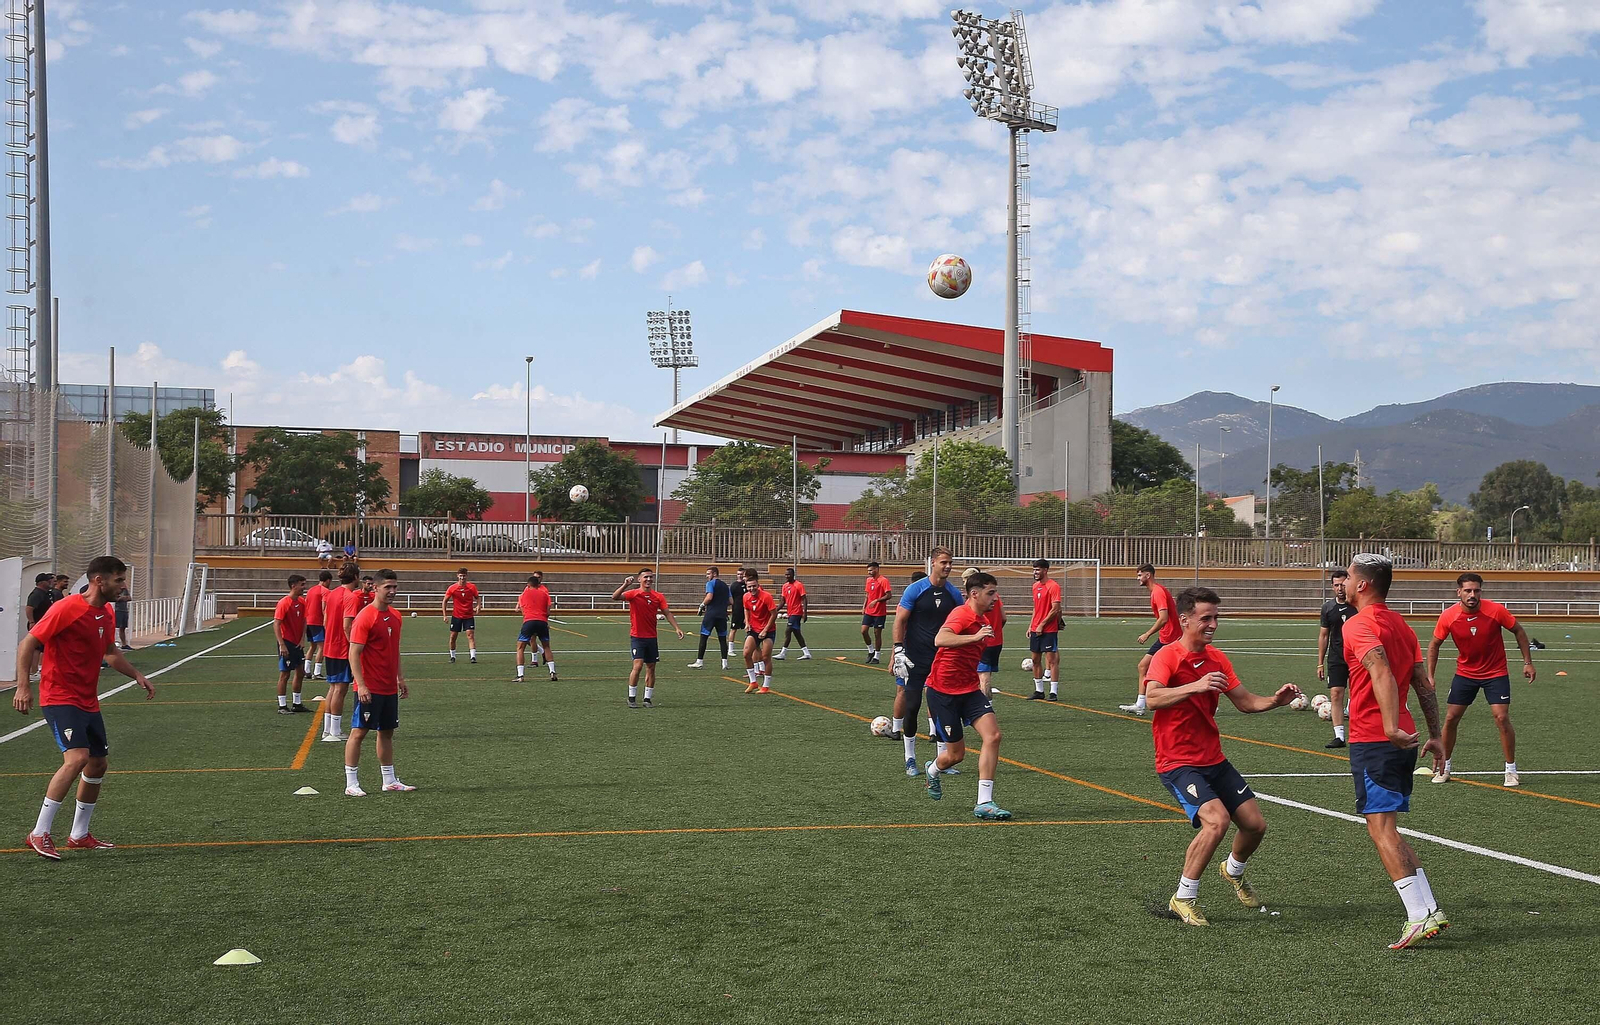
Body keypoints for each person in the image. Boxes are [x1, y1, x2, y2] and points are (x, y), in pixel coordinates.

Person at [1145, 586, 1301, 926]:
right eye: (1206, 618)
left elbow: (1245, 702)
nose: (1214, 624)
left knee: (1255, 826)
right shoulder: (1167, 656)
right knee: (1216, 822)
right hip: (1177, 762)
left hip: (1213, 758)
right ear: (1184, 620)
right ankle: (1183, 897)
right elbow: (1152, 698)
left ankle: (1232, 871)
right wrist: (1195, 686)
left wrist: (1276, 701)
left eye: (1216, 617)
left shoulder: (1217, 658)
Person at [14, 556, 155, 858]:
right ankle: (39, 833)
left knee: (98, 764)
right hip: (59, 697)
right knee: (77, 758)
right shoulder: (65, 608)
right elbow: (28, 643)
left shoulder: (105, 612)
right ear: (98, 581)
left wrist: (137, 675)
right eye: (119, 580)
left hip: (87, 700)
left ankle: (78, 834)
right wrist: (24, 687)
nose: (123, 586)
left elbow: (111, 653)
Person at [1342, 553, 1449, 949]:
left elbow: (1380, 669)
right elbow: (1423, 683)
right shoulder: (1402, 625)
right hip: (1404, 740)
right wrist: (1436, 736)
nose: (1344, 583)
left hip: (1378, 740)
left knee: (1381, 830)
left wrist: (1387, 726)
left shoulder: (1359, 624)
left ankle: (1418, 916)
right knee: (1389, 829)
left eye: (1349, 577)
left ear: (1364, 585)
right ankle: (1429, 909)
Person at [1426, 572, 1536, 787]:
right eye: (1467, 590)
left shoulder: (1496, 611)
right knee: (1451, 718)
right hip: (1465, 674)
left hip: (1495, 673)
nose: (1472, 594)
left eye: (1476, 590)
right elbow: (1434, 645)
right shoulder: (1448, 616)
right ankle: (1445, 767)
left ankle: (1511, 770)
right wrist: (1430, 675)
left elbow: (1519, 631)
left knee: (1501, 718)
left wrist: (1527, 662)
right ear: (1459, 592)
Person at [923, 571, 1012, 819]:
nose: (996, 598)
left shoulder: (986, 618)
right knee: (955, 756)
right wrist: (975, 637)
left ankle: (984, 802)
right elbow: (940, 639)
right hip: (943, 692)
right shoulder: (962, 614)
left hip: (970, 690)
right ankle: (932, 770)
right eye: (990, 593)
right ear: (975, 594)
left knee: (993, 736)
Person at [892, 547, 963, 776]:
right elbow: (900, 620)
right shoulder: (916, 589)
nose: (948, 566)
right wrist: (898, 650)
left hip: (942, 661)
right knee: (912, 707)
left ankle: (942, 760)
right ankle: (909, 759)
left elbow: (961, 622)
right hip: (914, 660)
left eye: (950, 562)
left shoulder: (954, 594)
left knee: (942, 709)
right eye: (943, 562)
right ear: (932, 563)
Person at [345, 569, 415, 796]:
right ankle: (351, 783)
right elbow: (353, 653)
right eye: (388, 587)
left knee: (386, 732)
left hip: (387, 686)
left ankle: (389, 780)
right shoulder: (366, 617)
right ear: (375, 588)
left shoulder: (396, 616)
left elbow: (393, 651)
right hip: (369, 687)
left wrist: (400, 678)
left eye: (395, 587)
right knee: (359, 732)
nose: (392, 591)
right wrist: (361, 684)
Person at [612, 569, 685, 708]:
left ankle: (647, 699)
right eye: (646, 577)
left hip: (652, 637)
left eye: (651, 577)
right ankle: (632, 698)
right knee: (638, 665)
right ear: (639, 579)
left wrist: (677, 627)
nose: (649, 579)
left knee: (651, 668)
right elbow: (614, 597)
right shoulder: (633, 594)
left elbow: (667, 613)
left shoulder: (658, 596)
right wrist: (625, 585)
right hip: (637, 637)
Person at [1121, 563, 1179, 715]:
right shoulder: (1156, 591)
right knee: (1144, 667)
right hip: (1168, 636)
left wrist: (1147, 634)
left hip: (1170, 637)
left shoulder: (1157, 592)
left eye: (1140, 575)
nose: (1138, 578)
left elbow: (1164, 618)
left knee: (1146, 667)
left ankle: (1141, 704)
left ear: (1148, 575)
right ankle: (1140, 704)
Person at [1317, 569, 1357, 748]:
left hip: (1357, 656)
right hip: (1336, 657)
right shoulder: (1327, 608)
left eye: (1343, 584)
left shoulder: (1357, 605)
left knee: (1357, 694)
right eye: (1336, 585)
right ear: (1332, 586)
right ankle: (1339, 736)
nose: (1340, 588)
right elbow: (1324, 635)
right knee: (1335, 694)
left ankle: (1358, 734)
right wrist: (1320, 663)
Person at [321, 565, 361, 742]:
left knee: (333, 687)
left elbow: (326, 619)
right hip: (342, 648)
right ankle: (335, 731)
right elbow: (347, 625)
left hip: (330, 645)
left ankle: (328, 729)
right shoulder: (350, 597)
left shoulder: (332, 593)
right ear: (356, 576)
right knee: (340, 689)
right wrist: (354, 646)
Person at [963, 567, 1005, 697]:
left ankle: (985, 707)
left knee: (983, 676)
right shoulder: (995, 596)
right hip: (996, 641)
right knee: (985, 675)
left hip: (983, 642)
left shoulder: (973, 601)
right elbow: (1003, 618)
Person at [274, 575, 310, 715]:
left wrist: (302, 639)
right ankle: (282, 706)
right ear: (293, 585)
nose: (304, 587)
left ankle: (297, 703)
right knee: (285, 674)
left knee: (300, 672)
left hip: (297, 643)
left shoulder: (302, 601)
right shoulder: (284, 603)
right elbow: (276, 624)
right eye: (302, 584)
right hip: (287, 642)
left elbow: (304, 621)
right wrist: (281, 644)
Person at [1026, 558, 1062, 700]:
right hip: (1036, 629)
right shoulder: (1035, 586)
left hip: (1049, 629)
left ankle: (1053, 692)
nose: (1035, 572)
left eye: (1038, 569)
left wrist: (1042, 624)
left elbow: (1056, 608)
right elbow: (1036, 608)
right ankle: (1039, 691)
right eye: (1034, 570)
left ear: (1045, 570)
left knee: (1052, 660)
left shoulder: (1053, 586)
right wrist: (1031, 625)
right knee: (1035, 660)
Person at [516, 572, 558, 682]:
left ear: (528, 585)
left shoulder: (523, 595)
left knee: (520, 648)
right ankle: (552, 672)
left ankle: (520, 675)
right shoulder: (545, 594)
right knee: (547, 647)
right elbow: (548, 611)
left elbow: (523, 610)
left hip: (529, 621)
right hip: (542, 622)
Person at [741, 567, 777, 695]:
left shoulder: (766, 597)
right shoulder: (746, 597)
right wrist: (747, 622)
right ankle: (753, 682)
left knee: (765, 657)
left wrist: (766, 630)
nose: (752, 589)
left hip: (768, 630)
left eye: (754, 586)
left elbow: (774, 614)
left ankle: (766, 686)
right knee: (746, 653)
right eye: (749, 587)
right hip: (754, 629)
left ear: (758, 584)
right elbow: (746, 608)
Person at [689, 566, 731, 670]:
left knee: (704, 637)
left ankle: (699, 661)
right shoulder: (726, 586)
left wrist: (702, 605)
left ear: (714, 574)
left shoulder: (710, 584)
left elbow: (709, 597)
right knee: (722, 639)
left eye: (708, 574)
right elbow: (731, 601)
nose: (707, 576)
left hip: (711, 615)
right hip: (722, 615)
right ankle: (724, 663)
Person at [443, 567, 481, 664]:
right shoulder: (453, 588)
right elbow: (445, 601)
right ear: (457, 576)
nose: (462, 578)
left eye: (464, 576)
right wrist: (445, 615)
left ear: (466, 576)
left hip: (468, 616)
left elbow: (477, 598)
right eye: (460, 576)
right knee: (453, 636)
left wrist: (478, 606)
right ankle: (452, 656)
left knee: (470, 635)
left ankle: (473, 657)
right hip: (456, 616)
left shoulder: (472, 587)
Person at [774, 567, 811, 660]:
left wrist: (805, 612)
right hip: (790, 612)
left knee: (788, 630)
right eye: (785, 574)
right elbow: (782, 601)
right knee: (797, 633)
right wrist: (775, 610)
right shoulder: (785, 586)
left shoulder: (798, 585)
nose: (786, 576)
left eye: (788, 575)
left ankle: (783, 653)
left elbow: (804, 599)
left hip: (797, 612)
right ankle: (806, 653)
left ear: (793, 575)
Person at [303, 569, 333, 679]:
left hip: (309, 620)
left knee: (312, 646)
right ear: (328, 580)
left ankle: (306, 670)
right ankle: (317, 672)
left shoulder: (311, 590)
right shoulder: (325, 591)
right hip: (318, 622)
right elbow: (324, 607)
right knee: (323, 646)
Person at [861, 561, 892, 663]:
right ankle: (871, 650)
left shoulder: (883, 580)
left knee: (877, 633)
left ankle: (877, 656)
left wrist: (877, 600)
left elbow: (889, 595)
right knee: (863, 631)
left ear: (876, 569)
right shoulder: (868, 580)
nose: (869, 572)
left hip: (879, 612)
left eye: (871, 570)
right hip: (869, 611)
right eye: (868, 570)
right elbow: (867, 595)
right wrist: (864, 606)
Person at [24, 572, 53, 681]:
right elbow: (29, 608)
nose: (50, 582)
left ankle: (39, 670)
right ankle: (34, 671)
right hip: (37, 624)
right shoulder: (37, 594)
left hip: (43, 624)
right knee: (37, 648)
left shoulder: (45, 593)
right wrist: (32, 622)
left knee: (42, 648)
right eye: (47, 580)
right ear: (41, 583)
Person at [728, 567, 748, 637]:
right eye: (738, 574)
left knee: (749, 629)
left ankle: (751, 646)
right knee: (733, 629)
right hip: (737, 612)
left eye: (741, 574)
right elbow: (729, 598)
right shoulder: (734, 586)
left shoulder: (748, 585)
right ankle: (730, 647)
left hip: (748, 611)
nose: (740, 576)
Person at [113, 586, 132, 650]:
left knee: (123, 627)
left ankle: (124, 644)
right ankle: (114, 642)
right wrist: (122, 598)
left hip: (124, 610)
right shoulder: (114, 589)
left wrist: (123, 598)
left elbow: (129, 598)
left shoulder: (124, 590)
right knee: (115, 627)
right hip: (117, 610)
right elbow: (116, 599)